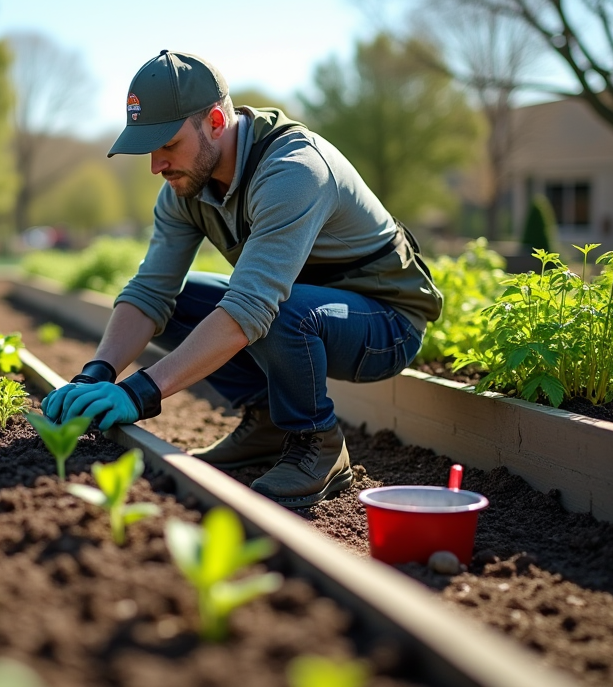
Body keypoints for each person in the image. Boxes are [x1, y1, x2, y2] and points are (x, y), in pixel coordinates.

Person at [41, 50, 443, 508]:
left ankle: (319, 444)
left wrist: (141, 392)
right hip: (301, 309)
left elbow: (250, 308)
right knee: (182, 297)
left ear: (215, 121)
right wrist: (97, 373)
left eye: (167, 144)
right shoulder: (186, 185)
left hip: (384, 322)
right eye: (149, 148)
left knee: (276, 311)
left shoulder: (294, 170)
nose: (157, 165)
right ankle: (270, 421)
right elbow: (151, 290)